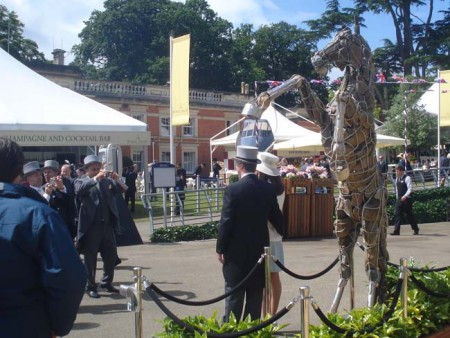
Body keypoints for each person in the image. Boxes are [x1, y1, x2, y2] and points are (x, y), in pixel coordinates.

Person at [0, 138, 86, 338]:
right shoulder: (37, 214)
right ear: (19, 169)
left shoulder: (37, 213)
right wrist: (57, 325)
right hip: (25, 324)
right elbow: (67, 277)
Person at [216, 146, 284, 322]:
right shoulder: (267, 190)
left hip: (236, 253)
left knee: (234, 298)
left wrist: (220, 248)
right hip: (259, 252)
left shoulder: (233, 189)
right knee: (254, 299)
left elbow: (226, 222)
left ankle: (232, 332)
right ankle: (252, 331)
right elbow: (279, 220)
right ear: (255, 166)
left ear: (239, 166)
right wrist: (284, 232)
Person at [74, 155, 123, 298]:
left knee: (110, 255)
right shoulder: (81, 181)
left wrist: (116, 179)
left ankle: (107, 283)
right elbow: (79, 191)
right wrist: (95, 179)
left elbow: (121, 190)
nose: (96, 171)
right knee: (91, 258)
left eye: (97, 169)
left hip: (107, 225)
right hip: (91, 227)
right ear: (86, 170)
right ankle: (90, 286)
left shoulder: (106, 181)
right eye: (93, 169)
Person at [256, 152, 285, 317]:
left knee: (264, 281)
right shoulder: (280, 188)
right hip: (276, 237)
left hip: (263, 236)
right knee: (275, 278)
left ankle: (264, 315)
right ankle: (272, 315)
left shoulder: (264, 189)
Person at [43, 159, 78, 238]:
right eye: (45, 172)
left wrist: (61, 189)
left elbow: (71, 201)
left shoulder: (66, 183)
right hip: (50, 227)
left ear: (56, 173)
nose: (46, 174)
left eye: (49, 172)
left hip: (65, 226)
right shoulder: (43, 188)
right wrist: (47, 193)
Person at [390, 165, 420, 236]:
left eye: (397, 171)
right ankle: (396, 231)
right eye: (396, 171)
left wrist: (405, 196)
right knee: (398, 215)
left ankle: (415, 229)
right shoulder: (397, 179)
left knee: (409, 215)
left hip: (407, 200)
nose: (396, 173)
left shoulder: (407, 178)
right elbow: (397, 190)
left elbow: (410, 188)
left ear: (401, 171)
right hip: (399, 200)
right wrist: (397, 198)